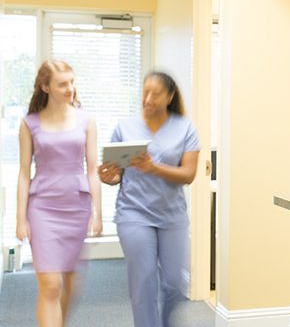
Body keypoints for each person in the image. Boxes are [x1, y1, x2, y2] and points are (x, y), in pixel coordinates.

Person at [98, 71, 199, 327]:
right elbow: (116, 175)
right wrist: (106, 176)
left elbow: (188, 174)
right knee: (143, 283)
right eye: (145, 92)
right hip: (133, 214)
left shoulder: (184, 127)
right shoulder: (125, 127)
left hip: (172, 216)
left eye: (156, 93)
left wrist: (154, 168)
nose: (148, 98)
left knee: (174, 284)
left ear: (170, 96)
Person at [16, 59, 103, 326]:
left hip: (76, 207)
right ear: (45, 87)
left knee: (69, 285)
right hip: (42, 208)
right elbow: (23, 173)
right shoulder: (29, 124)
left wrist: (98, 212)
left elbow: (92, 169)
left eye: (72, 82)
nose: (70, 89)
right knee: (50, 286)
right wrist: (21, 219)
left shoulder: (87, 121)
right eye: (62, 84)